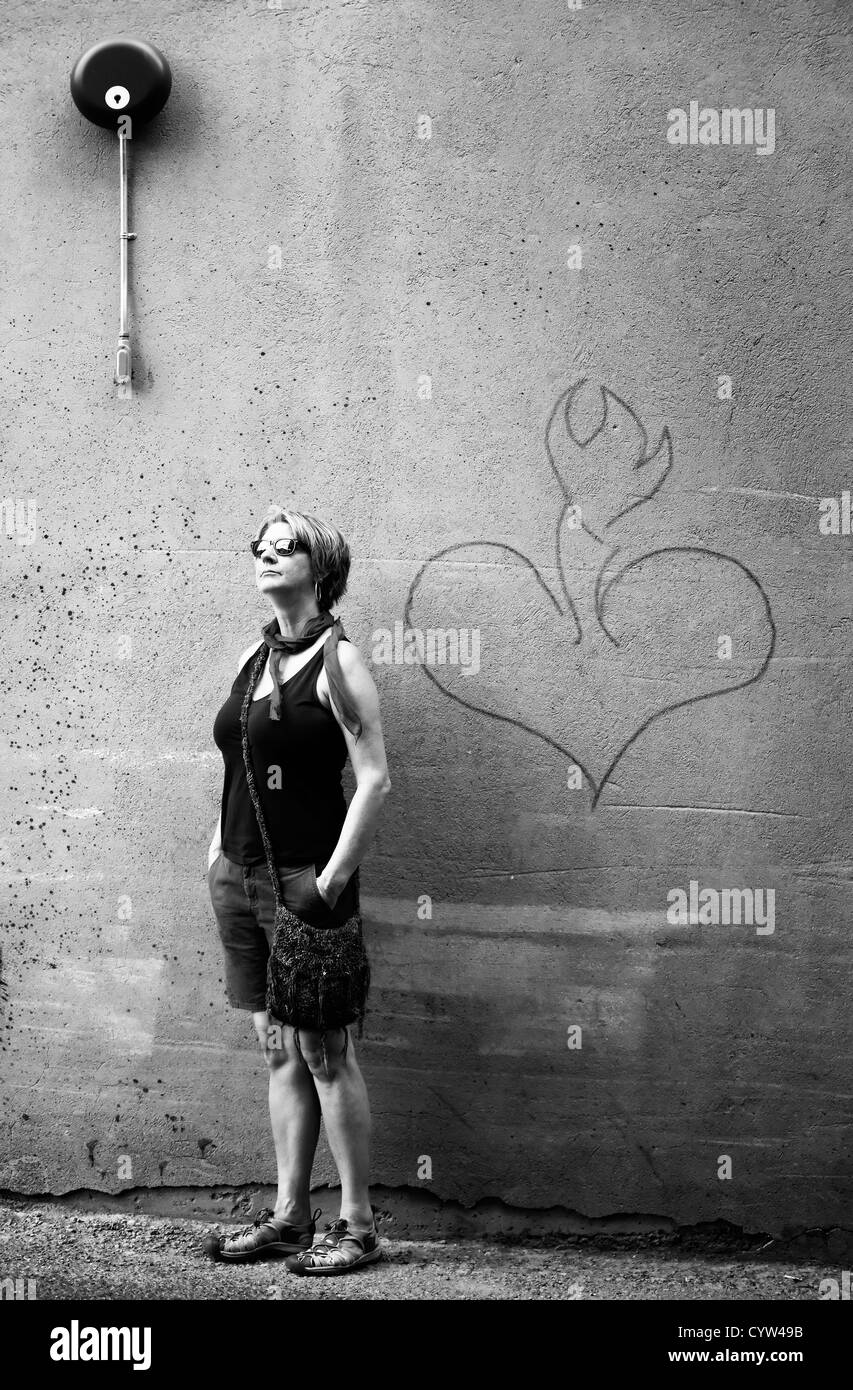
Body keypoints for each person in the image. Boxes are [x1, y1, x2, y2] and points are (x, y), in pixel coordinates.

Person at [206, 506, 391, 1275]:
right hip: (239, 880)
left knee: (324, 1053)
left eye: (288, 547)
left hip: (304, 887)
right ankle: (290, 1217)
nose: (268, 555)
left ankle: (356, 1225)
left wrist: (331, 880)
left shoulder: (337, 661)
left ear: (321, 568)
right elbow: (235, 760)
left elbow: (375, 776)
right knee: (279, 1051)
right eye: (261, 546)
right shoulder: (255, 656)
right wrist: (217, 852)